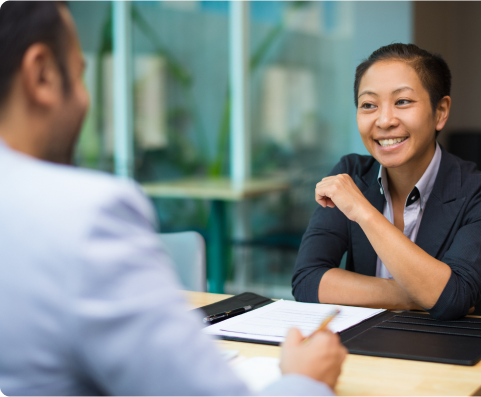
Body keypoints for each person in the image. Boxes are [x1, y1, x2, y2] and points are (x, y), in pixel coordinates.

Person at [0, 1, 346, 396]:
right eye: (80, 76)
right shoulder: (87, 216)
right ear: (41, 74)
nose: (84, 100)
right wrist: (304, 380)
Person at [292, 44, 481, 321]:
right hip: (365, 346)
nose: (384, 121)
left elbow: (454, 298)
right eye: (369, 105)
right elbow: (308, 281)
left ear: (441, 112)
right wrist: (422, 295)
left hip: (451, 354)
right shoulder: (352, 174)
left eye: (403, 102)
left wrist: (364, 212)